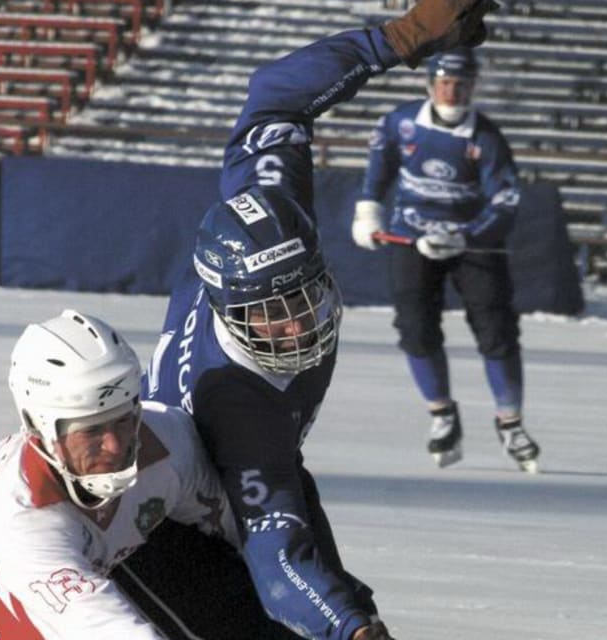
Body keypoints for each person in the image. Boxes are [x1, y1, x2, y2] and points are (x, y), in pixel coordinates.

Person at [139, 2, 501, 639]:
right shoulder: (236, 407)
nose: (296, 327)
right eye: (268, 316)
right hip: (175, 529)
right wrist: (348, 627)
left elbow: (274, 96)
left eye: (302, 295)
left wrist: (396, 38)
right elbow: (277, 558)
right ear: (226, 306)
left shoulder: (264, 211)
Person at [0, 309, 240, 639]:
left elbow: (249, 532)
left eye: (123, 419)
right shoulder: (23, 525)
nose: (114, 445)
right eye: (91, 430)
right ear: (39, 429)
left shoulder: (166, 440)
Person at [350, 46, 540, 473]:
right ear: (429, 84)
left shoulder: (486, 137)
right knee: (415, 327)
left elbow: (506, 201)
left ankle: (510, 422)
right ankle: (442, 415)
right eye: (444, 83)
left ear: (473, 87)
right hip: (411, 237)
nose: (451, 92)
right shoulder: (399, 122)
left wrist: (465, 235)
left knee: (496, 329)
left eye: (460, 84)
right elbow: (377, 171)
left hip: (470, 242)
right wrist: (368, 213)